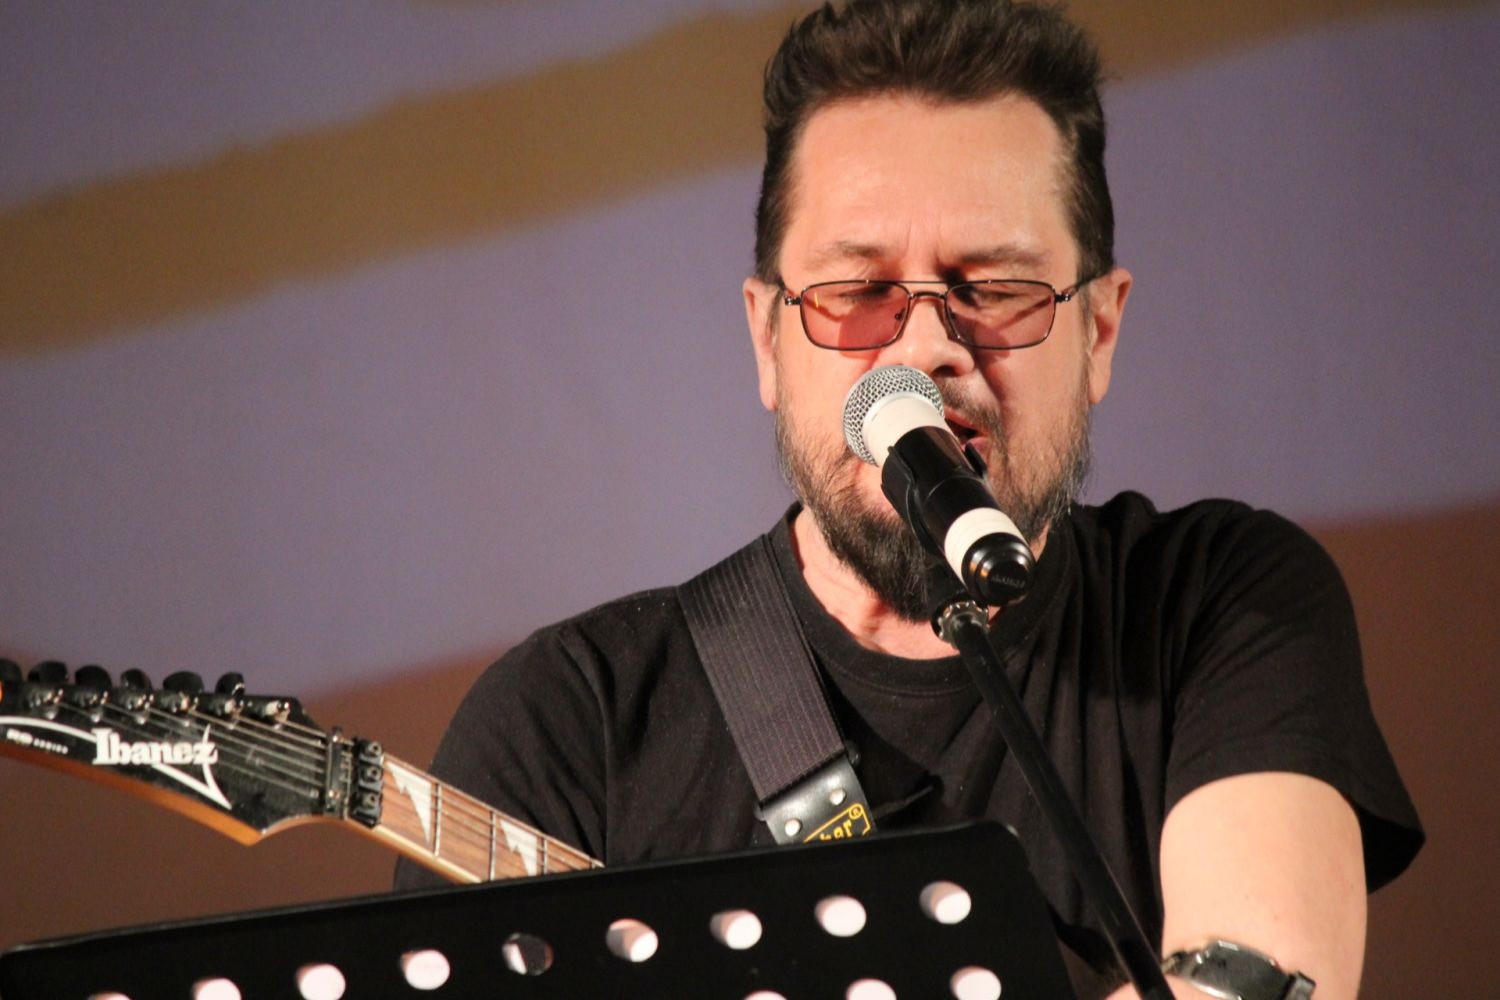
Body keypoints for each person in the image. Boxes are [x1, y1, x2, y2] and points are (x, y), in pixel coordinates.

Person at [396, 2, 1422, 996]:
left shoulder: (1224, 605)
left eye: (996, 290)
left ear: (1099, 333)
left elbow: (1253, 977)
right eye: (856, 294)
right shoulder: (571, 720)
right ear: (768, 340)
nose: (927, 349)